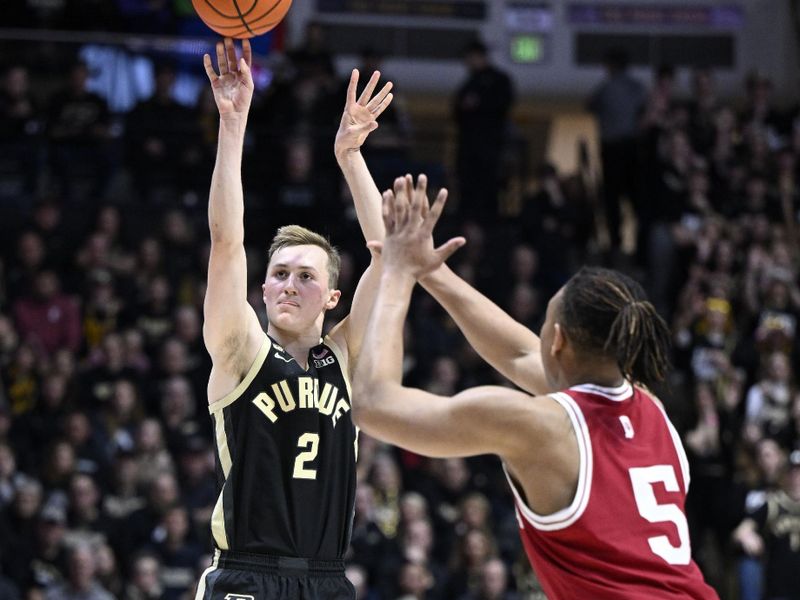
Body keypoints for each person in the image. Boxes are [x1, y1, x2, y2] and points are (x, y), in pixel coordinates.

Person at [351, 175, 720, 599]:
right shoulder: (651, 408)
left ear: (558, 339)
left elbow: (375, 404)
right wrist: (430, 272)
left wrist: (396, 275)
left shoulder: (538, 426)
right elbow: (517, 355)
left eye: (542, 322)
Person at [196, 38, 393, 599]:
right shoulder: (240, 349)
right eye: (279, 273)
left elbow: (387, 253)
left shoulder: (345, 356)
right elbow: (226, 241)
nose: (288, 284)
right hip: (245, 575)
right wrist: (233, 126)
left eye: (306, 276)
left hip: (328, 581)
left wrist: (351, 157)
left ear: (334, 297)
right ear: (262, 288)